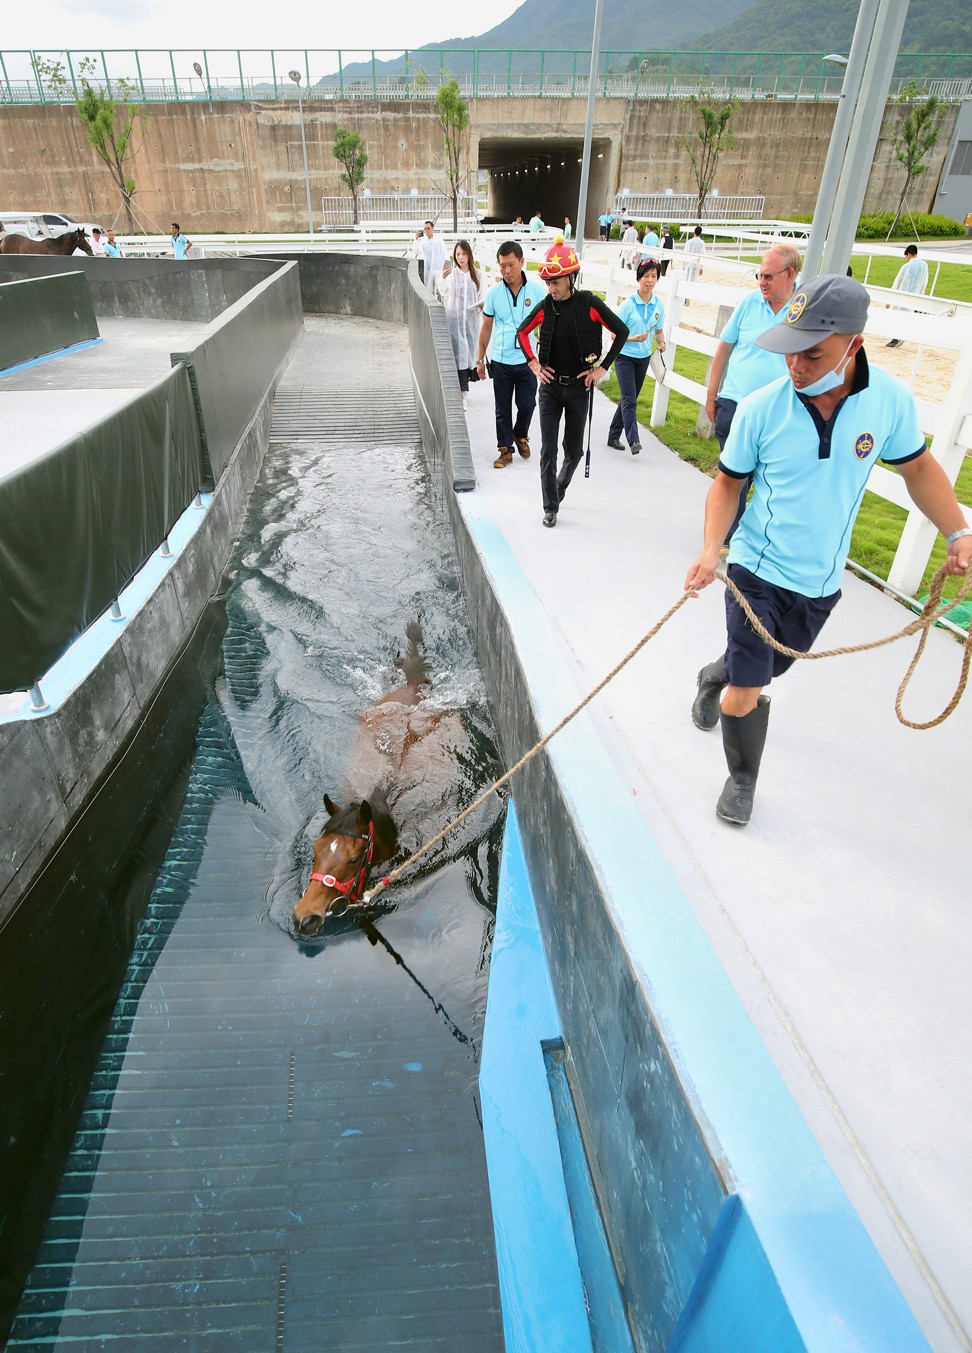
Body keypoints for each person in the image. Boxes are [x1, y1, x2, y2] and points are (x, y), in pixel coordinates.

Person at [684, 274, 972, 827]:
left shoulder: (888, 401)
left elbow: (916, 467)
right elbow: (726, 483)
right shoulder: (763, 408)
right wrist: (710, 549)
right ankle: (742, 779)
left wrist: (957, 531)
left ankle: (713, 674)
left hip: (819, 582)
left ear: (854, 345)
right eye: (790, 353)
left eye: (813, 355)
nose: (797, 367)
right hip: (756, 568)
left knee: (770, 667)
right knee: (752, 685)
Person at [515, 239, 628, 527]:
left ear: (571, 278)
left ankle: (559, 488)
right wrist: (534, 364)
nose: (551, 288)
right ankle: (550, 507)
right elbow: (523, 331)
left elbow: (622, 330)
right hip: (551, 389)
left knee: (574, 450)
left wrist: (602, 368)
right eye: (548, 282)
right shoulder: (545, 306)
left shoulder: (589, 304)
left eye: (556, 282)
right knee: (548, 450)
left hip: (579, 389)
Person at [705, 244, 801, 538]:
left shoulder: (803, 309)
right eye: (760, 276)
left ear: (790, 275)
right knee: (736, 474)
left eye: (769, 277)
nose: (762, 282)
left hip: (778, 411)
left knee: (768, 477)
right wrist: (711, 395)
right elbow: (725, 347)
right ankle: (731, 533)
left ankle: (747, 531)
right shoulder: (749, 303)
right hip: (735, 403)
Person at [476, 240, 547, 468]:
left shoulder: (536, 290)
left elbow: (546, 326)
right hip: (501, 360)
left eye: (511, 265)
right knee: (502, 408)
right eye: (502, 266)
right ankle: (505, 449)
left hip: (528, 361)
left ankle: (520, 434)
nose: (507, 271)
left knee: (527, 405)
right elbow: (486, 327)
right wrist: (480, 359)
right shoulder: (494, 293)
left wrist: (544, 358)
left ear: (522, 262)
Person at [607, 259, 666, 455]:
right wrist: (633, 339)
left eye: (654, 276)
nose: (650, 280)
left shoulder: (659, 305)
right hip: (624, 357)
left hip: (643, 359)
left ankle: (613, 435)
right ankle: (634, 440)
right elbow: (614, 334)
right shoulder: (628, 305)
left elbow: (658, 330)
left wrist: (662, 342)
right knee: (630, 399)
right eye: (646, 276)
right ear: (639, 278)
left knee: (628, 398)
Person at [435, 239, 485, 411]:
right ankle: (461, 394)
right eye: (458, 254)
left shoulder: (477, 275)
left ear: (469, 254)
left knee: (468, 356)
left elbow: (481, 295)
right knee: (458, 357)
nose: (461, 257)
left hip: (470, 322)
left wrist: (481, 306)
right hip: (454, 321)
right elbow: (443, 291)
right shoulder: (452, 275)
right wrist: (442, 277)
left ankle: (463, 392)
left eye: (463, 254)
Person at [886, 243, 929, 348]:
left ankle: (896, 338)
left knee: (898, 317)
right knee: (908, 316)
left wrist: (889, 298)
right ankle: (901, 336)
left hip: (903, 295)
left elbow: (898, 281)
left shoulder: (907, 266)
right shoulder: (924, 265)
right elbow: (925, 281)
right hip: (916, 295)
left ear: (909, 254)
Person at [414, 220, 446, 293]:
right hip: (428, 270)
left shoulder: (439, 240)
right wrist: (416, 239)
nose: (426, 230)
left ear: (432, 228)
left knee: (440, 290)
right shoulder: (422, 242)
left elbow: (444, 253)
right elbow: (416, 252)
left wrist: (445, 266)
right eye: (425, 229)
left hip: (438, 269)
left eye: (428, 228)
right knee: (429, 290)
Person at [683, 225, 705, 303]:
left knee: (686, 280)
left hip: (689, 264)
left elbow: (685, 253)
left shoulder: (689, 242)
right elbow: (703, 255)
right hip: (696, 265)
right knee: (692, 281)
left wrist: (684, 266)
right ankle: (688, 296)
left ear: (694, 232)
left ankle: (685, 297)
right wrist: (702, 267)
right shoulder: (702, 243)